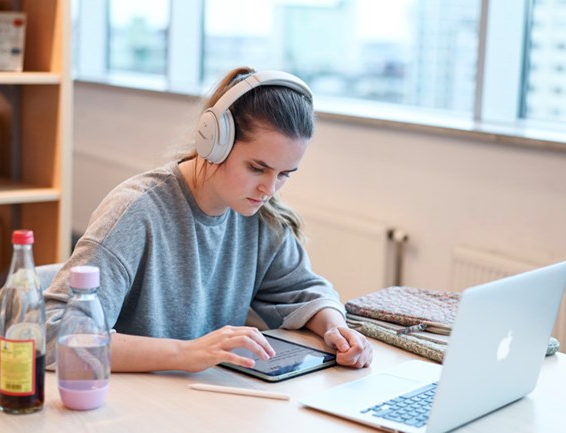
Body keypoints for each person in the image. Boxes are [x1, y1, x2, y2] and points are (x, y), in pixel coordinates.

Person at [43, 66, 373, 373]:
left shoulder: (261, 216)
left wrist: (335, 327)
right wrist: (186, 353)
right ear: (214, 142)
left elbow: (304, 290)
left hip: (191, 398)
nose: (269, 188)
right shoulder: (135, 212)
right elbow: (58, 335)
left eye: (284, 174)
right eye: (257, 168)